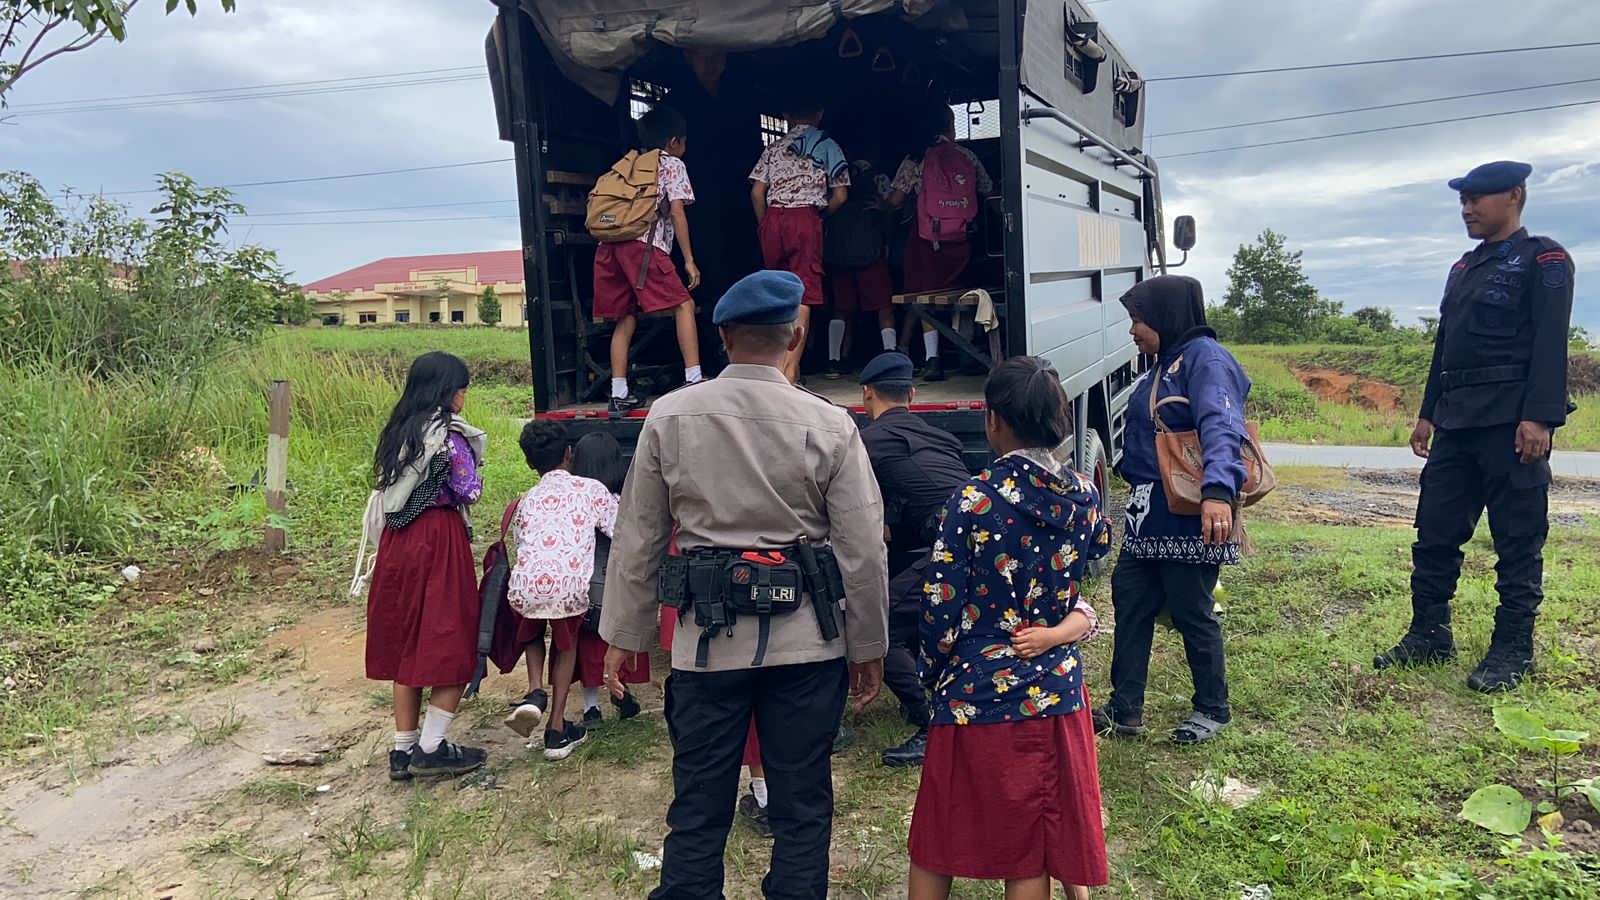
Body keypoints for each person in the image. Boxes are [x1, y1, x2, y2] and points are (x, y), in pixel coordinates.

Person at [599, 270, 889, 900]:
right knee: (802, 800)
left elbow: (637, 537)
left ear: (723, 335)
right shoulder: (832, 424)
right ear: (797, 336)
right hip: (808, 645)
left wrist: (623, 636)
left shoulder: (668, 416)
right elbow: (864, 550)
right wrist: (869, 647)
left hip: (706, 644)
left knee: (698, 799)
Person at [909, 356, 1111, 900]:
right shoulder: (1084, 498)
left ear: (993, 419)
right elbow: (1093, 560)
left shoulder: (972, 500)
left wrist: (933, 673)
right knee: (1031, 846)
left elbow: (940, 605)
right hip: (1056, 689)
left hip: (973, 686)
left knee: (938, 835)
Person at [1375, 160, 1575, 693]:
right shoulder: (1464, 268)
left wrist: (1540, 417)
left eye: (1477, 199)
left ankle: (1513, 648)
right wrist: (1427, 412)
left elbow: (1553, 343)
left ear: (1514, 196)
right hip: (1457, 422)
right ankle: (1429, 634)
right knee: (1435, 530)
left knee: (1516, 539)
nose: (1467, 209)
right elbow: (1447, 346)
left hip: (1511, 421)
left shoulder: (1544, 259)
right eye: (1462, 201)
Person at [1096, 275, 1251, 745]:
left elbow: (1222, 425)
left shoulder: (1207, 361)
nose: (1133, 331)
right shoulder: (1166, 363)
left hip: (1188, 513)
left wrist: (1218, 492)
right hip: (1148, 514)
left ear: (1166, 315)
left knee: (1190, 608)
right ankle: (1125, 708)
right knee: (1132, 599)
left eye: (1138, 320)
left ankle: (1212, 708)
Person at [358, 351, 488, 781]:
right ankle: (432, 747)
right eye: (462, 388)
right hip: (438, 539)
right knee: (451, 635)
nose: (464, 395)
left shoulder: (399, 431)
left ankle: (402, 750)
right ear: (447, 392)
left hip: (399, 544)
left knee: (407, 641)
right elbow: (469, 489)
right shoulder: (449, 437)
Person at [857, 352, 972, 767]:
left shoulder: (867, 443)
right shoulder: (944, 439)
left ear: (867, 394)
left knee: (877, 624)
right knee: (913, 612)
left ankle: (932, 724)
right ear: (912, 393)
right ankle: (928, 697)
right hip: (980, 543)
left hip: (953, 549)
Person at [503, 420, 618, 760]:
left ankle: (535, 690)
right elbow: (617, 528)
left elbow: (520, 541)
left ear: (529, 463)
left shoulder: (526, 500)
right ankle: (555, 729)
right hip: (569, 588)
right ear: (570, 454)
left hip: (524, 587)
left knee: (533, 629)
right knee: (567, 645)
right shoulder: (591, 489)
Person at [595, 104, 703, 414]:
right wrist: (689, 260)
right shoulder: (671, 164)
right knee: (684, 304)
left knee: (626, 315)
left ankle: (618, 392)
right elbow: (678, 211)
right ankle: (694, 379)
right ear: (673, 142)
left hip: (609, 246)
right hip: (643, 245)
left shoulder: (626, 164)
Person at [665, 48, 765, 375]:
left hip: (738, 198)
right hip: (695, 205)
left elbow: (753, 145)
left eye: (717, 58)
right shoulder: (675, 101)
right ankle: (713, 353)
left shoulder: (740, 96)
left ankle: (750, 351)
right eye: (702, 57)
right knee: (706, 276)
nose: (710, 64)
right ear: (688, 59)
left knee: (744, 268)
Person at [882, 103, 994, 382]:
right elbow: (988, 190)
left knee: (921, 296)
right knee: (962, 292)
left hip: (927, 242)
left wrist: (879, 205)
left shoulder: (916, 159)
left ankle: (932, 358)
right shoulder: (967, 156)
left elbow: (895, 201)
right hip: (962, 242)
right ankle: (967, 352)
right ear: (949, 126)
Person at [749, 91, 851, 384]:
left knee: (776, 293)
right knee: (803, 294)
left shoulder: (773, 148)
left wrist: (764, 224)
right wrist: (820, 215)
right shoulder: (828, 145)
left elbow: (757, 192)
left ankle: (773, 364)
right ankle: (790, 369)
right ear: (819, 113)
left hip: (773, 218)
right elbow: (841, 195)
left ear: (786, 116)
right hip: (805, 218)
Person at [568, 432, 646, 725]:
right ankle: (621, 691)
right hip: (615, 586)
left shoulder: (575, 500)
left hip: (583, 586)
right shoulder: (619, 500)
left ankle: (591, 707)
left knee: (586, 646)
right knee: (619, 637)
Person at [823, 145, 898, 378]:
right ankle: (891, 356)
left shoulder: (833, 175)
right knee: (883, 306)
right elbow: (891, 210)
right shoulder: (879, 178)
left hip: (839, 252)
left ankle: (834, 359)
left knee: (841, 309)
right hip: (870, 251)